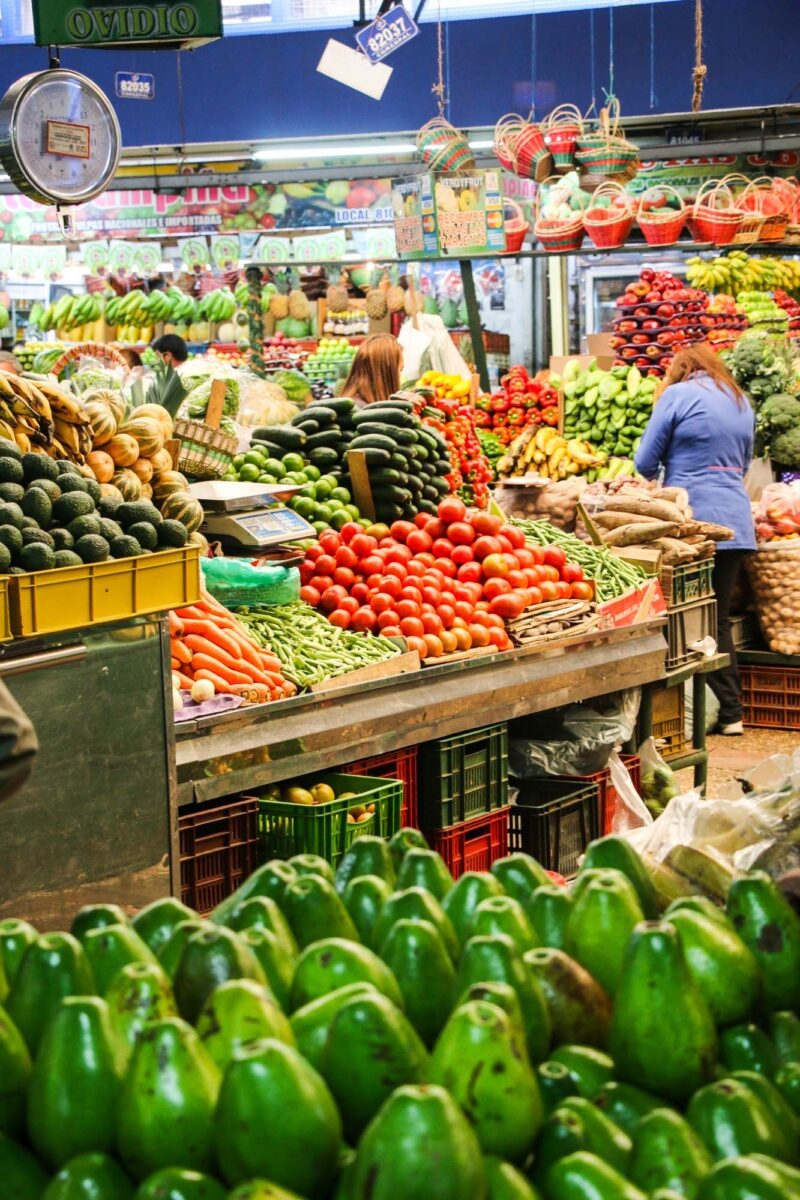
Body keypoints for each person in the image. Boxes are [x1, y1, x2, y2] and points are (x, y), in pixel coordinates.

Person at [634, 343, 756, 736]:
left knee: (678, 616)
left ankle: (679, 717)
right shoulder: (740, 400)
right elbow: (745, 462)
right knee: (715, 615)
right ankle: (731, 712)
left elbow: (645, 462)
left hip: (691, 524)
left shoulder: (677, 394)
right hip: (736, 519)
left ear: (681, 369)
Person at [338, 333, 402, 409]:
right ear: (386, 374)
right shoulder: (360, 411)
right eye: (400, 370)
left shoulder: (358, 403)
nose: (400, 376)